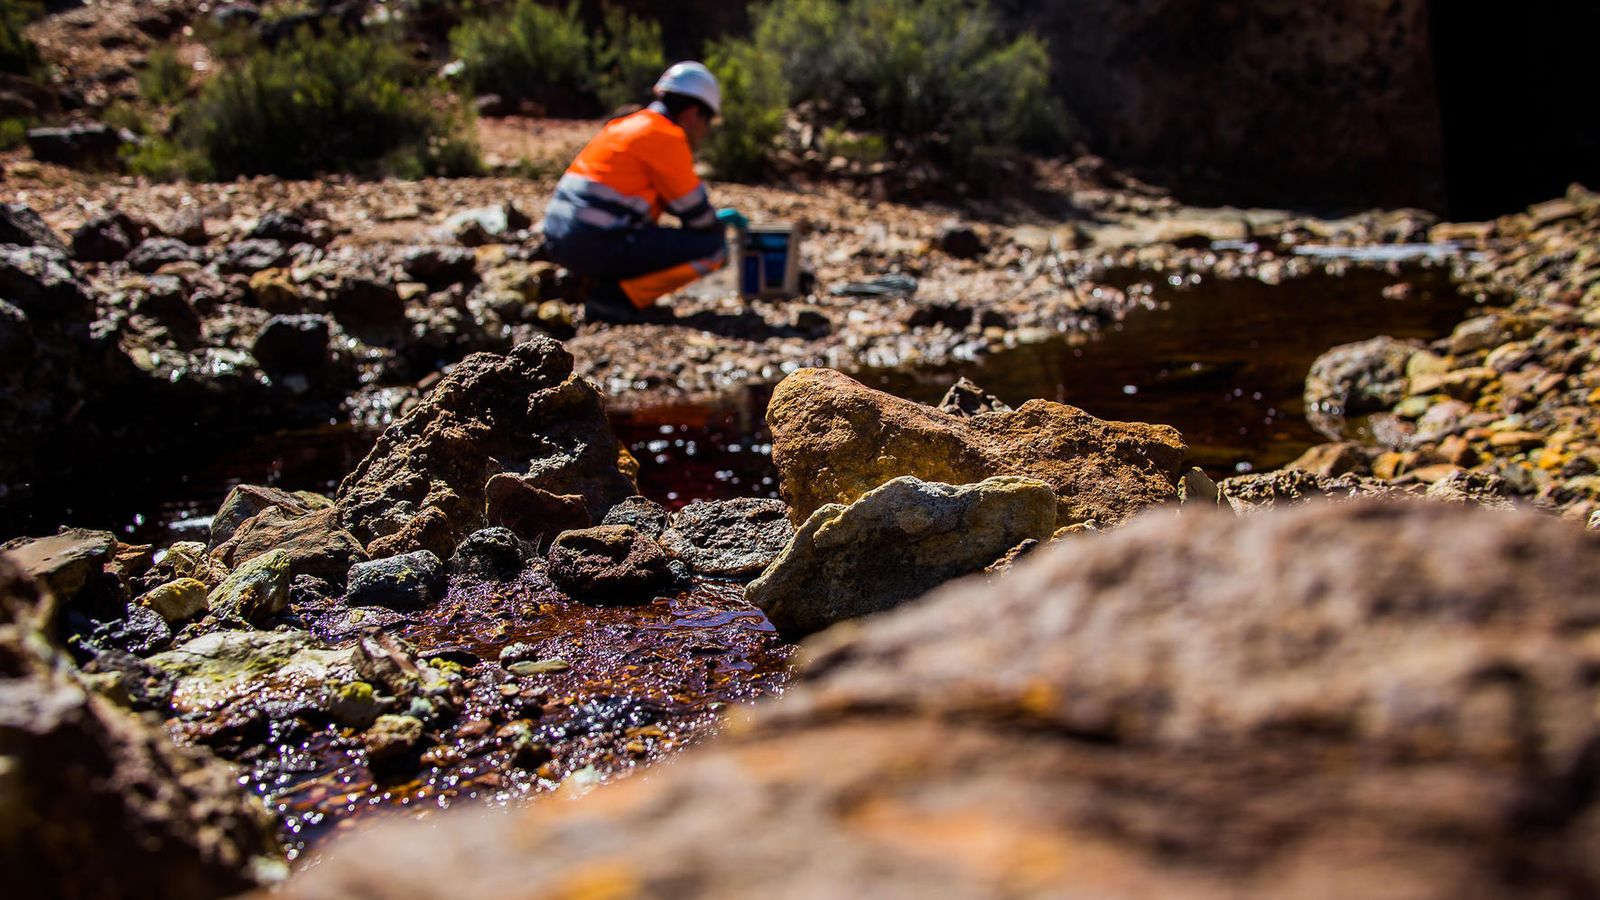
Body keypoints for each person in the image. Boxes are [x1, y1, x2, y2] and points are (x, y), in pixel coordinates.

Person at [541, 61, 747, 324]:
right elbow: (698, 218)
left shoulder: (626, 125)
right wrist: (716, 221)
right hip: (590, 244)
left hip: (558, 237)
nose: (705, 132)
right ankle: (615, 298)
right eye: (707, 122)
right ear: (693, 113)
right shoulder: (666, 136)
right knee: (714, 248)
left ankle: (592, 281)